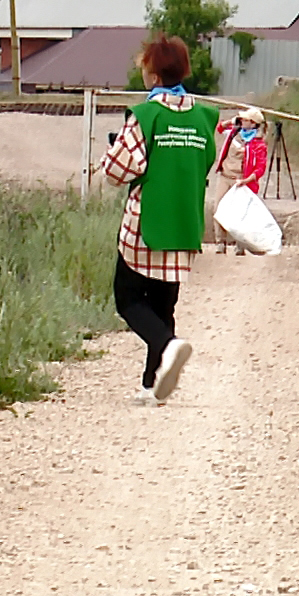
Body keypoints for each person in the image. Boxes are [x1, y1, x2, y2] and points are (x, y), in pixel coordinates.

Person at [99, 36, 219, 403]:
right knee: (163, 304)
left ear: (151, 74)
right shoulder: (204, 117)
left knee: (129, 298)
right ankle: (152, 384)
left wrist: (111, 152)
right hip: (185, 221)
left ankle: (168, 346)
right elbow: (207, 162)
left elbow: (118, 170)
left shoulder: (146, 116)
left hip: (146, 222)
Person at [208, 107, 269, 253]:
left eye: (246, 120)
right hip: (225, 175)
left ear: (253, 124)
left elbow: (260, 168)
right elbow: (219, 128)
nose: (242, 121)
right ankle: (220, 242)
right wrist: (231, 121)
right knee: (219, 209)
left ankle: (240, 245)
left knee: (240, 214)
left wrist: (247, 180)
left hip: (242, 180)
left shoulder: (258, 144)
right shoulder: (234, 131)